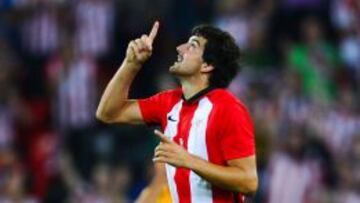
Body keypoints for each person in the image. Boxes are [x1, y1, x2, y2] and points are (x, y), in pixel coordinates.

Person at [96, 21, 258, 203]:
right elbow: (108, 113)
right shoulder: (168, 102)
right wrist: (131, 64)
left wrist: (189, 161)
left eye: (192, 46)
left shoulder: (228, 108)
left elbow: (249, 182)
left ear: (207, 65)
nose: (180, 49)